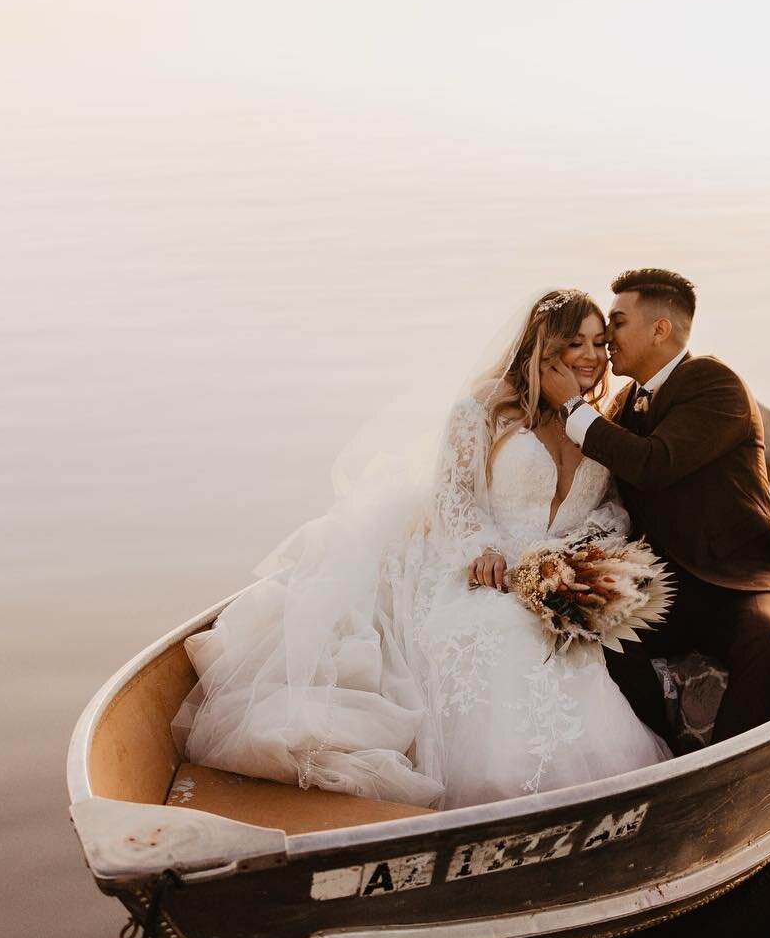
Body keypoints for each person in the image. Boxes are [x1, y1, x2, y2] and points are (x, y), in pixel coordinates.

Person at [173, 290, 670, 812]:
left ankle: (602, 778)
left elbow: (610, 511)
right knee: (502, 628)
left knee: (578, 639)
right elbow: (453, 494)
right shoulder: (485, 407)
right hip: (482, 564)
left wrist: (576, 559)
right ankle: (499, 782)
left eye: (599, 342)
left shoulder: (595, 424)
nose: (592, 355)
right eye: (576, 343)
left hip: (553, 577)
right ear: (544, 349)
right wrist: (483, 548)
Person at [540, 267, 770, 745]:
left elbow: (654, 464)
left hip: (741, 578)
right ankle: (661, 743)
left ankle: (731, 774)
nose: (607, 341)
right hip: (669, 586)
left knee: (767, 639)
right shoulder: (626, 403)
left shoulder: (714, 383)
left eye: (618, 324)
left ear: (660, 329)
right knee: (594, 635)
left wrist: (573, 407)